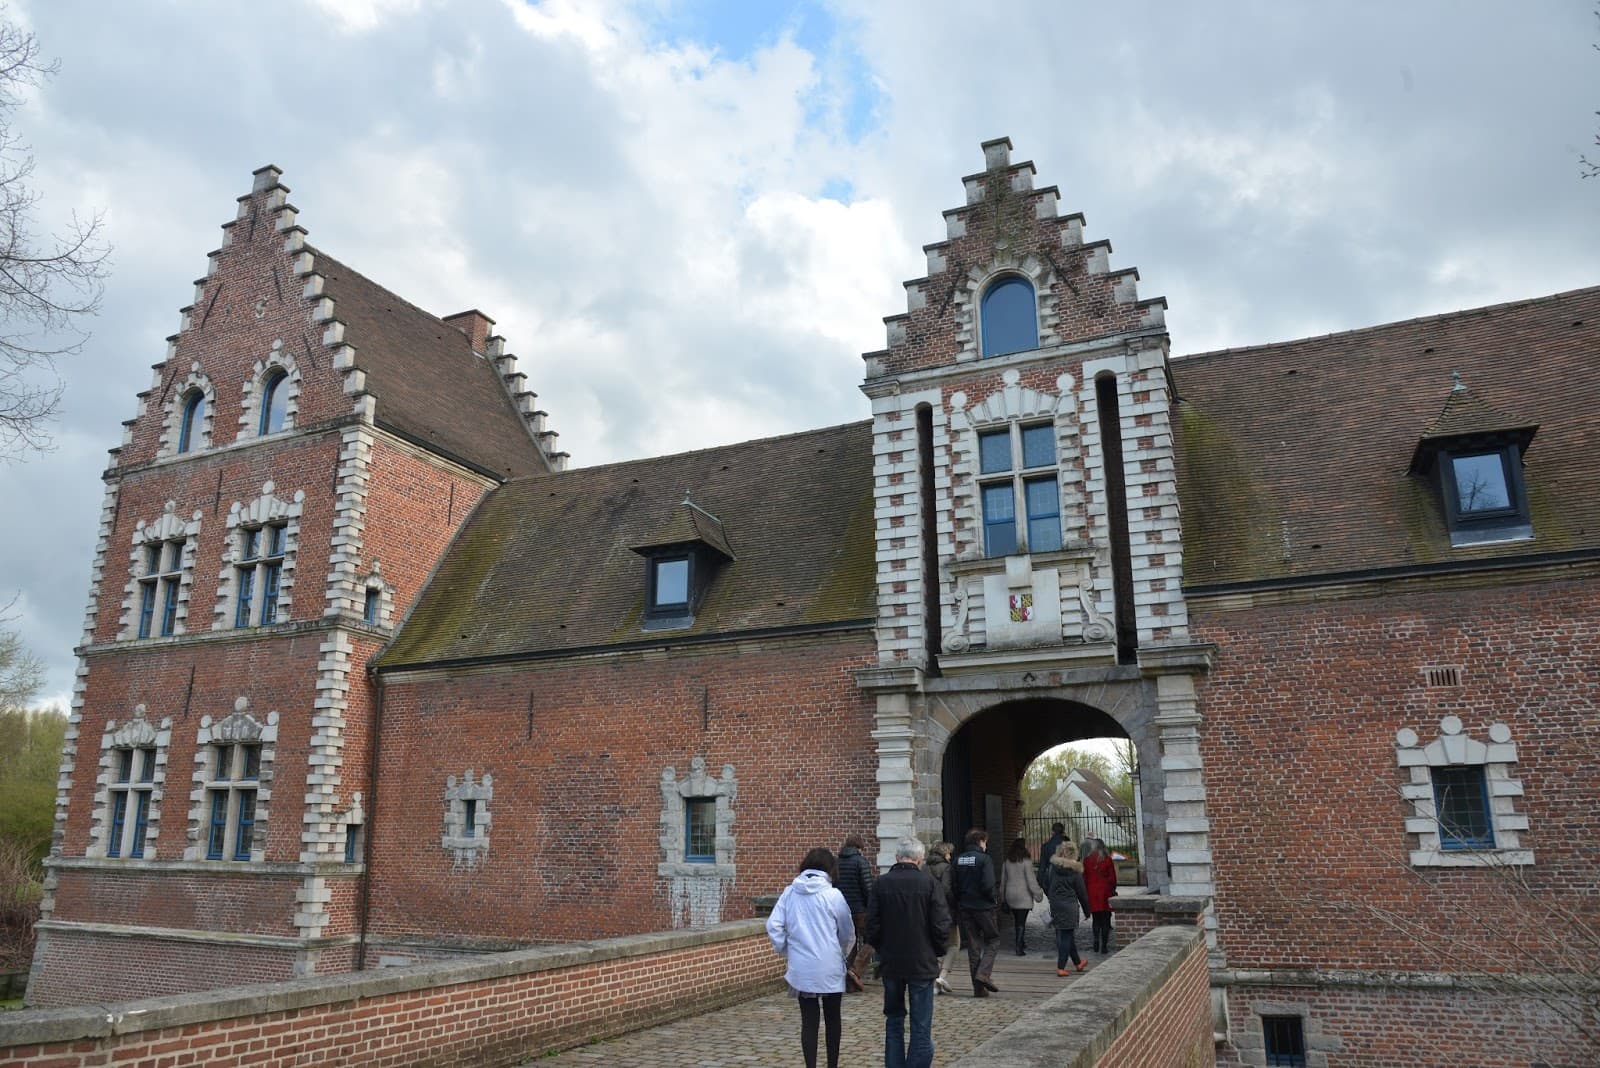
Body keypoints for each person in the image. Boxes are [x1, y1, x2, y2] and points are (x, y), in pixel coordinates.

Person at [766, 846, 856, 1068]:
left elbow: (774, 925)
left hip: (802, 966)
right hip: (830, 965)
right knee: (833, 1018)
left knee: (809, 1021)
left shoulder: (790, 893)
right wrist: (842, 952)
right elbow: (847, 931)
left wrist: (787, 950)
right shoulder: (833, 895)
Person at [866, 837, 950, 1068]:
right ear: (920, 859)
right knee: (921, 1026)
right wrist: (937, 951)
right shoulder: (930, 884)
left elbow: (871, 926)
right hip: (922, 962)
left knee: (893, 1022)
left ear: (897, 857)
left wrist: (882, 949)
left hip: (891, 962)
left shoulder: (881, 884)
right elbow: (941, 924)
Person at [950, 827, 1001, 996]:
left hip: (966, 907)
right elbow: (988, 885)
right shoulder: (984, 859)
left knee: (973, 946)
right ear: (980, 841)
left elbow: (954, 886)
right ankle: (983, 974)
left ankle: (978, 989)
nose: (986, 846)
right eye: (985, 842)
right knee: (993, 940)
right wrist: (993, 899)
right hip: (984, 907)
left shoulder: (957, 860)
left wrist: (961, 900)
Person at [1042, 840, 1092, 976]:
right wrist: (1087, 911)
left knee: (1066, 934)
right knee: (1066, 936)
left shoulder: (1052, 868)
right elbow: (1082, 894)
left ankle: (1077, 962)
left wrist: (1052, 897)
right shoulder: (1075, 872)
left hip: (1056, 904)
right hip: (1069, 906)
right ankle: (1061, 967)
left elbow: (1045, 884)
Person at [836, 833, 876, 985]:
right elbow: (867, 887)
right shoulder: (861, 861)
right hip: (860, 909)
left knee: (848, 943)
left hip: (841, 909)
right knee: (873, 939)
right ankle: (856, 970)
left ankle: (848, 978)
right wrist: (871, 907)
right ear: (859, 847)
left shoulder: (836, 862)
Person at [925, 841, 960, 994]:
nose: (951, 856)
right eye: (949, 853)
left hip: (928, 911)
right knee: (953, 944)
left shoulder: (924, 867)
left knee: (933, 943)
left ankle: (934, 980)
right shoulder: (947, 868)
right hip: (946, 911)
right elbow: (947, 889)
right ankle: (942, 975)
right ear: (945, 854)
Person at [999, 836, 1043, 956]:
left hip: (1010, 895)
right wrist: (1039, 894)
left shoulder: (1007, 862)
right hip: (1023, 896)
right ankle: (1019, 947)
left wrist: (1002, 897)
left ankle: (1021, 942)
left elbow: (1003, 881)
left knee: (1017, 921)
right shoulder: (1026, 862)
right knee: (1021, 922)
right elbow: (1031, 881)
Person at [1082, 836, 1119, 954]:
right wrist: (1112, 889)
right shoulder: (1107, 860)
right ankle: (1104, 945)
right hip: (1105, 892)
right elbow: (1113, 878)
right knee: (1105, 920)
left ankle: (1096, 940)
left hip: (1092, 892)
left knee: (1096, 919)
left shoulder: (1087, 860)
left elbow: (1084, 878)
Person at [1037, 821, 1068, 887]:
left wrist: (1040, 882)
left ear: (1052, 832)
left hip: (1051, 881)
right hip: (1066, 881)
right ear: (1063, 832)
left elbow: (1042, 867)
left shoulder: (1045, 846)